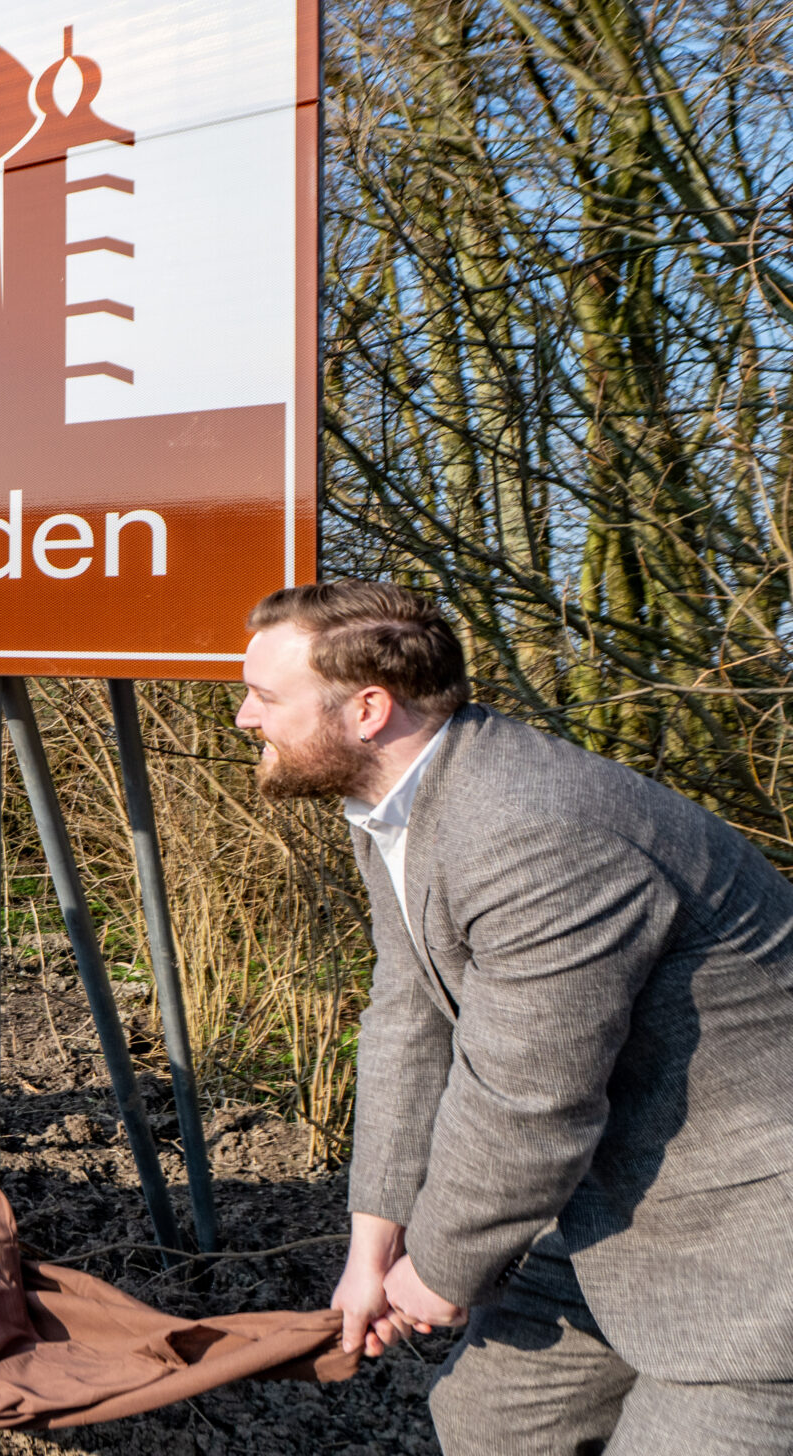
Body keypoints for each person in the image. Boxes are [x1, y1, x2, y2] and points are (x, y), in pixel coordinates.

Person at [237, 579, 793, 1454]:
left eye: (266, 696)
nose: (244, 718)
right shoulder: (401, 805)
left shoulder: (532, 830)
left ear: (369, 709)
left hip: (751, 1240)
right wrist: (374, 1246)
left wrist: (444, 1267)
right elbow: (410, 1019)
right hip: (608, 1207)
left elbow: (529, 1098)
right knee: (494, 1418)